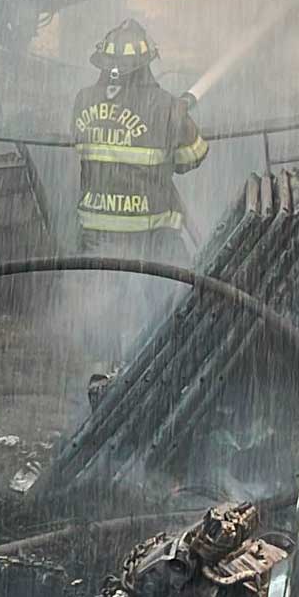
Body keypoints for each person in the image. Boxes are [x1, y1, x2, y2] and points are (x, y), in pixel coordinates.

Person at [72, 18, 208, 359]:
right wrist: (177, 119)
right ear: (146, 65)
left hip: (97, 230)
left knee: (100, 308)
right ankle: (165, 361)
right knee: (172, 297)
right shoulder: (165, 106)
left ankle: (103, 372)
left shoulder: (83, 100)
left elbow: (85, 148)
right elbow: (193, 157)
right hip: (150, 231)